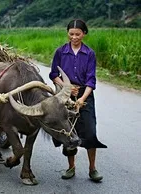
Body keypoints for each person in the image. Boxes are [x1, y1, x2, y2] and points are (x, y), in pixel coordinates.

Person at [49, 19, 107, 182]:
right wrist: (66, 86)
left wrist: (82, 98)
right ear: (67, 33)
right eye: (71, 34)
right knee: (68, 132)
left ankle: (92, 169)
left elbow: (91, 80)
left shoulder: (89, 54)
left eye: (78, 34)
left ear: (84, 34)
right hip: (65, 95)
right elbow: (54, 75)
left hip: (85, 94)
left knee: (89, 131)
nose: (74, 37)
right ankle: (71, 167)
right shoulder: (60, 52)